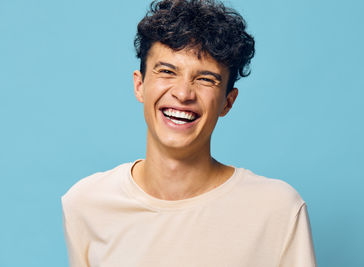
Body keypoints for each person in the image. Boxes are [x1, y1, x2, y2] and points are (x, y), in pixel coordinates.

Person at [62, 0, 317, 266]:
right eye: (167, 71)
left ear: (227, 102)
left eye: (206, 79)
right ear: (139, 85)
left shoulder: (277, 209)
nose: (183, 94)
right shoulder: (86, 204)